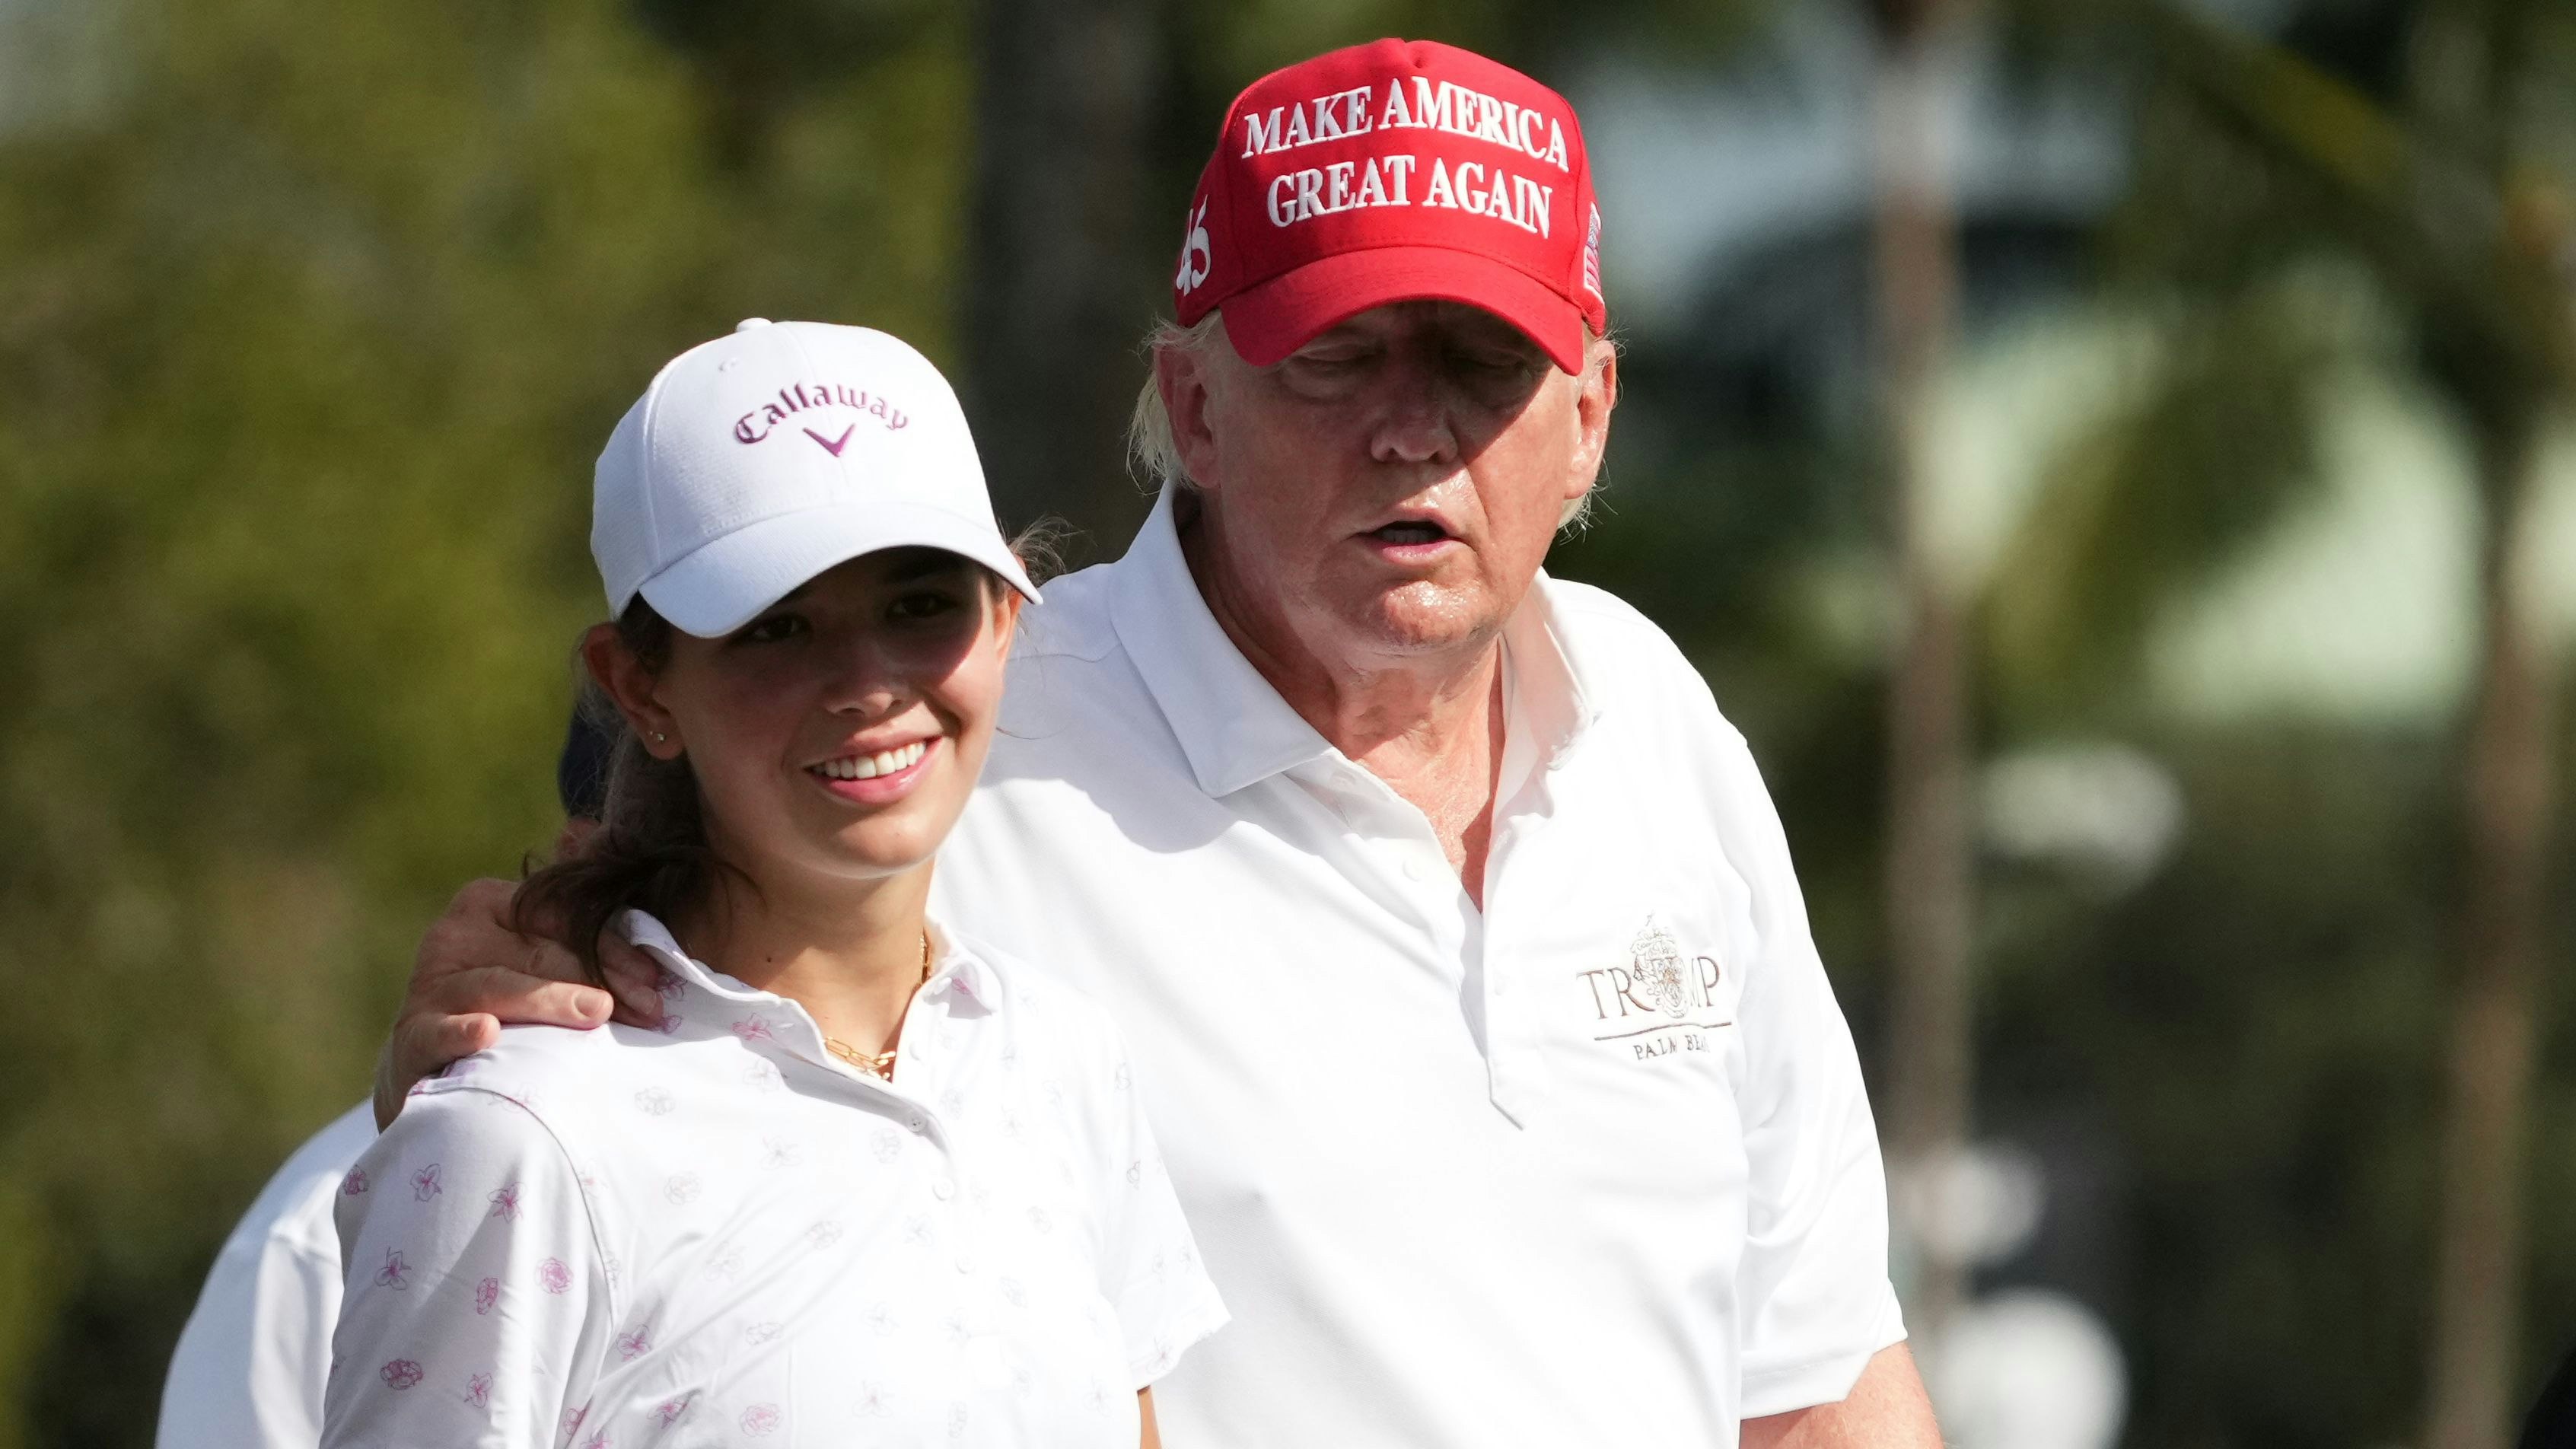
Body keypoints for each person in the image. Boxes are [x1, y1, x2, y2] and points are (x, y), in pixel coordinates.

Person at [382, 38, 1943, 1447]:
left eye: (1480, 363)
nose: (1412, 429)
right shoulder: (952, 742)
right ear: (1190, 405)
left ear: (1589, 412)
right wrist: (510, 974)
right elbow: (594, 1078)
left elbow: (1812, 1379)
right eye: (1337, 354)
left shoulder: (1655, 721)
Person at [324, 320, 1223, 1447]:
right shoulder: (520, 1136)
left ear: (1008, 613)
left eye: (918, 604)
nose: (864, 685)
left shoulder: (1060, 1061)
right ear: (638, 687)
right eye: (777, 627)